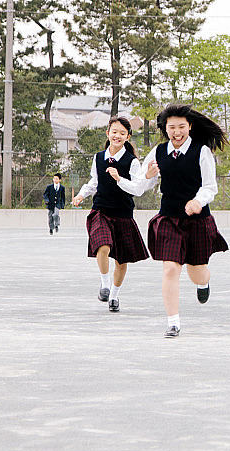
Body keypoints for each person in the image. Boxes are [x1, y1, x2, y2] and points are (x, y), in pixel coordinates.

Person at [114, 103, 229, 337]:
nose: (177, 132)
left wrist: (198, 201)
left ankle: (204, 282)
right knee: (170, 268)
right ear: (165, 129)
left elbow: (210, 187)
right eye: (172, 127)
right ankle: (173, 322)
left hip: (197, 219)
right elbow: (139, 187)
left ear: (190, 127)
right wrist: (146, 176)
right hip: (169, 217)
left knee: (197, 272)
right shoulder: (158, 152)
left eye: (181, 127)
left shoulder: (201, 151)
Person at [72, 116, 150, 312]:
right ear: (108, 133)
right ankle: (105, 285)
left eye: (122, 133)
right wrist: (81, 195)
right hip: (101, 211)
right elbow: (94, 182)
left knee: (121, 261)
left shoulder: (132, 162)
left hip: (123, 214)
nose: (117, 136)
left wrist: (118, 179)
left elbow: (137, 189)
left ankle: (114, 296)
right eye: (114, 132)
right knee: (103, 246)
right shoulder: (98, 157)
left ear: (128, 136)